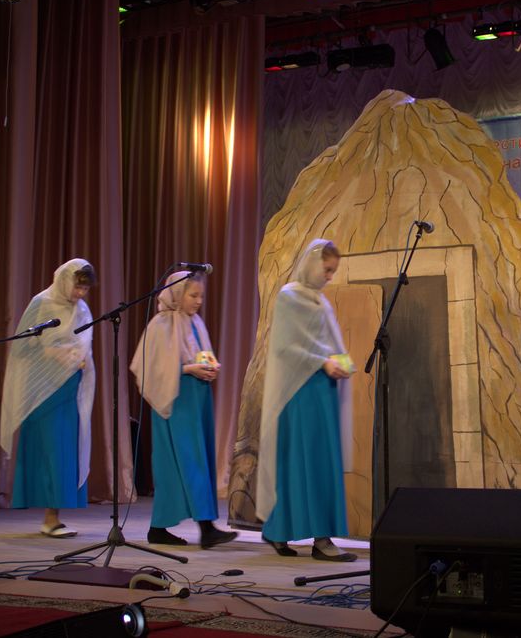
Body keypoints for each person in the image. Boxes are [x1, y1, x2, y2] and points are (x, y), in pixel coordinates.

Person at [257, 239, 357, 562]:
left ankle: (314, 536)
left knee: (322, 463)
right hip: (299, 391)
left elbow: (331, 344)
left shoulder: (320, 302)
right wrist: (322, 361)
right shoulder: (289, 297)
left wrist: (342, 362)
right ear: (313, 264)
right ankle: (292, 533)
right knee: (299, 462)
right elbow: (285, 347)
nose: (329, 276)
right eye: (327, 269)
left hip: (322, 390)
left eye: (332, 271)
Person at [130, 270, 237, 549]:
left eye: (201, 296)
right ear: (178, 294)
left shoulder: (195, 322)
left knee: (195, 460)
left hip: (197, 397)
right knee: (184, 462)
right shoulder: (161, 324)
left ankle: (161, 528)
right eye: (193, 295)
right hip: (175, 400)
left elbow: (201, 355)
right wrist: (190, 369)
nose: (199, 301)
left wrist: (209, 368)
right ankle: (206, 528)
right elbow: (152, 369)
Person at [0, 259, 98, 538]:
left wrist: (78, 358)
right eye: (77, 286)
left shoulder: (82, 309)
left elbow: (83, 344)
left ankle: (53, 517)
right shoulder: (42, 303)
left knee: (65, 452)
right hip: (43, 390)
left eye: (85, 289)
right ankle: (49, 518)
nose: (80, 293)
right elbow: (22, 346)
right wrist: (52, 352)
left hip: (69, 388)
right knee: (50, 451)